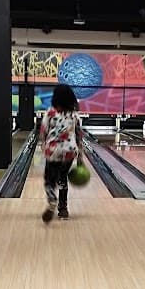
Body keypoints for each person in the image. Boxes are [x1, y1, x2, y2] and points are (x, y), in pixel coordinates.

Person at [38, 84, 84, 222]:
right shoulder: (74, 115)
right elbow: (79, 135)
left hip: (53, 151)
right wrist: (80, 156)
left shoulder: (50, 113)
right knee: (62, 179)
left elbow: (43, 132)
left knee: (49, 181)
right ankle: (63, 209)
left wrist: (43, 145)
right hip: (69, 152)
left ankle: (52, 201)